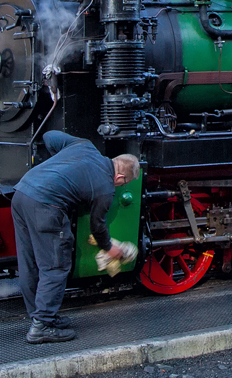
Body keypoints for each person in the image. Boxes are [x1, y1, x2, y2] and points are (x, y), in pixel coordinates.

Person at [11, 130, 140, 344]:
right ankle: (42, 325)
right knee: (55, 265)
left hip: (22, 194)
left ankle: (41, 317)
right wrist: (110, 248)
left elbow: (49, 136)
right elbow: (97, 226)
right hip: (46, 206)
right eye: (123, 184)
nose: (120, 187)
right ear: (120, 177)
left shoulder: (84, 144)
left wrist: (60, 165)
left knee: (29, 262)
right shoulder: (105, 189)